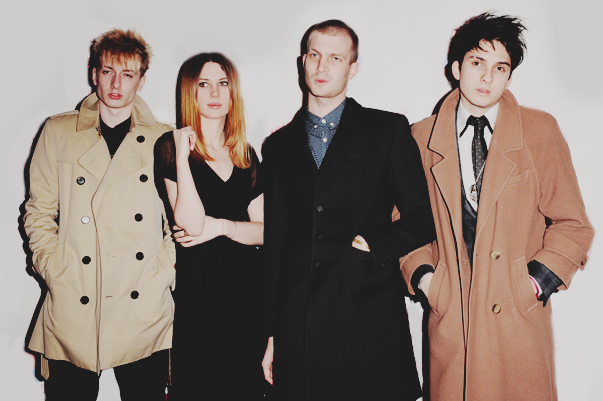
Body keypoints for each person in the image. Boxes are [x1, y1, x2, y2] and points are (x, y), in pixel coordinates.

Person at [400, 12, 594, 401]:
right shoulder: (420, 137)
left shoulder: (540, 131)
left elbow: (573, 224)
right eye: (477, 63)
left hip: (517, 325)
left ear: (509, 77)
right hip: (452, 323)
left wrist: (534, 283)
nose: (487, 77)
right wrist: (426, 280)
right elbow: (402, 222)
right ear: (456, 68)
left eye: (500, 68)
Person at [261, 19, 435, 400]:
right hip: (299, 323)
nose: (322, 67)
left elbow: (423, 219)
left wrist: (373, 243)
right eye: (314, 55)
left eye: (335, 58)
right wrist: (271, 333)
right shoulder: (277, 146)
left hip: (367, 315)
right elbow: (275, 244)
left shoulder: (387, 130)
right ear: (303, 62)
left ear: (352, 68)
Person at [23, 29, 175, 401]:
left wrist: (163, 275)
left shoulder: (165, 139)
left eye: (127, 74)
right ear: (94, 74)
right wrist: (54, 270)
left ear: (141, 80)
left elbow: (178, 221)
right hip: (75, 299)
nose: (116, 84)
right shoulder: (59, 132)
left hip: (142, 307)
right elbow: (38, 211)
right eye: (108, 72)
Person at [154, 53, 265, 400]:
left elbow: (266, 231)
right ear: (190, 91)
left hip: (247, 299)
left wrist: (223, 227)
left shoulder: (245, 155)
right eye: (204, 84)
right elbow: (190, 223)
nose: (215, 93)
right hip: (198, 300)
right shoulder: (169, 148)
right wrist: (183, 156)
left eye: (223, 83)